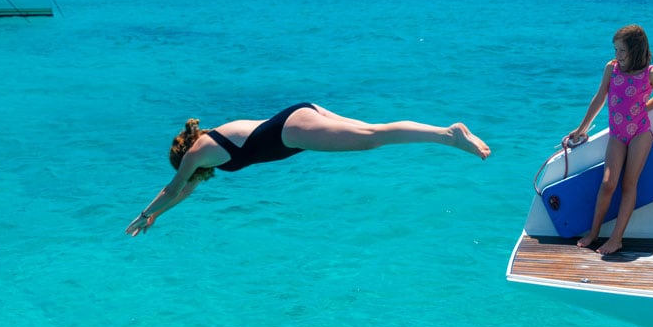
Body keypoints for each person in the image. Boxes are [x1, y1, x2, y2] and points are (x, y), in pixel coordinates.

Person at [126, 102, 491, 236]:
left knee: (371, 137)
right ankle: (447, 135)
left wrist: (145, 213)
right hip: (297, 120)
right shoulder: (208, 151)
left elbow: (175, 187)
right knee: (372, 134)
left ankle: (449, 134)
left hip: (291, 130)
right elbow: (183, 192)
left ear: (183, 154)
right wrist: (159, 215)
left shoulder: (199, 150)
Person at [567, 25, 653, 254]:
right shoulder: (611, 69)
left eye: (622, 51)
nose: (617, 55)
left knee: (628, 184)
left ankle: (616, 239)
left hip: (640, 134)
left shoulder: (650, 73)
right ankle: (593, 233)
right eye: (615, 50)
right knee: (607, 184)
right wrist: (581, 128)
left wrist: (642, 110)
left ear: (635, 49)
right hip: (617, 134)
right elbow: (599, 98)